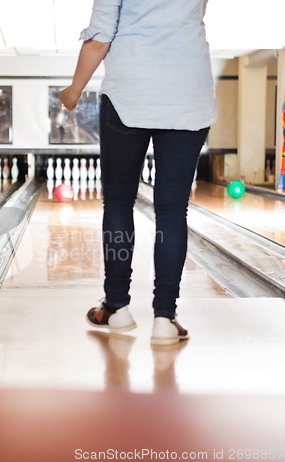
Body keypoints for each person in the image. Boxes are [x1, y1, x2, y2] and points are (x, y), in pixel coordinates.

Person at [60, 0, 216, 345]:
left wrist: (74, 88)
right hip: (188, 93)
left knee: (118, 202)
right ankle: (165, 317)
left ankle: (116, 308)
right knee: (173, 210)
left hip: (129, 90)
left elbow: (100, 37)